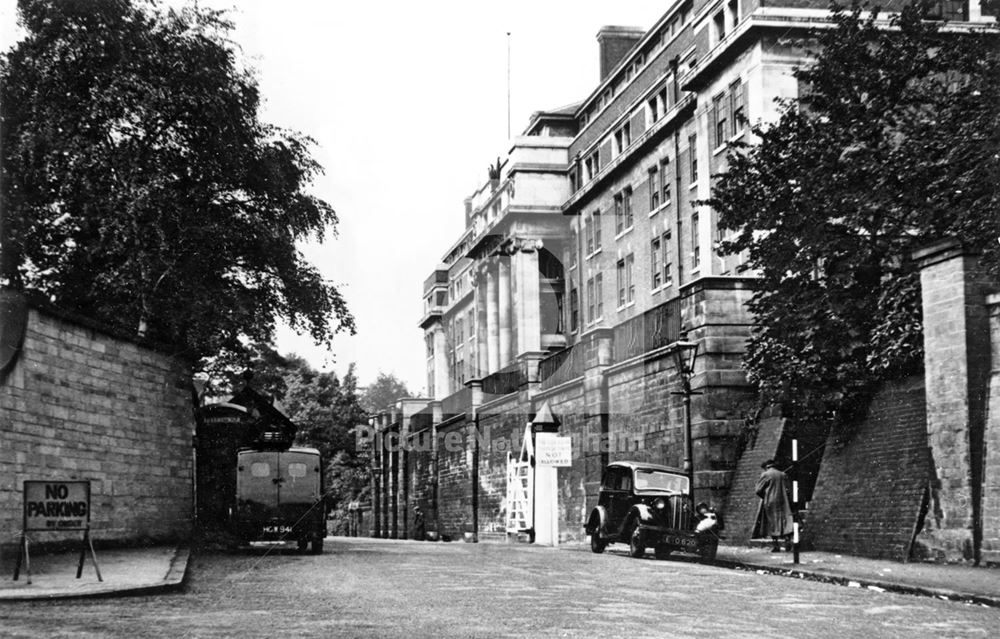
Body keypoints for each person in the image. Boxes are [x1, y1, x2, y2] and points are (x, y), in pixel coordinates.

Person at [755, 459, 794, 552]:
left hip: (771, 501)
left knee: (772, 522)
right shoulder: (783, 474)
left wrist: (765, 496)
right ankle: (787, 541)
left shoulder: (766, 475)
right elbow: (788, 490)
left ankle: (776, 545)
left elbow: (758, 490)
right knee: (784, 520)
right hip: (783, 501)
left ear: (766, 467)